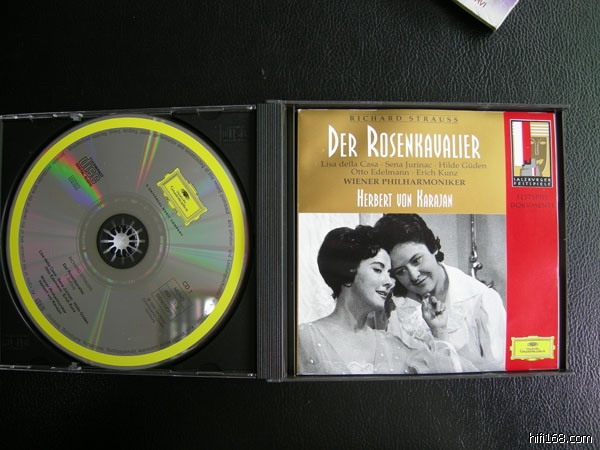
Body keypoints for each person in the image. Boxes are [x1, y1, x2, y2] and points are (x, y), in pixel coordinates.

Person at [297, 224, 462, 375]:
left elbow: (443, 385)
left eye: (389, 273)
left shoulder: (393, 346)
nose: (390, 282)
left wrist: (439, 330)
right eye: (378, 270)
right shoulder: (303, 338)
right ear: (347, 272)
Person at [373, 214, 506, 372]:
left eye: (416, 260)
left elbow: (498, 373)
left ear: (433, 248)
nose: (414, 275)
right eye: (401, 271)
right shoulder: (393, 308)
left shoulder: (482, 299)